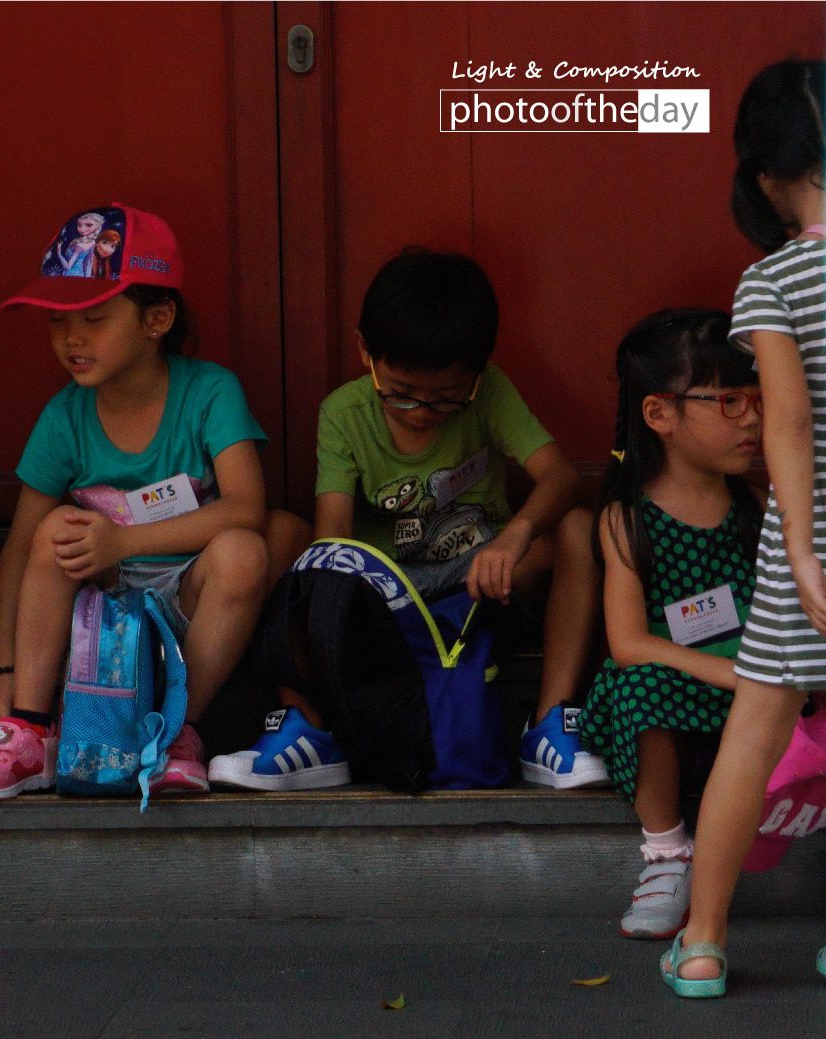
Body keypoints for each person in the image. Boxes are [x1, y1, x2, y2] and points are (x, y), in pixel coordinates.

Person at [209, 248, 602, 792]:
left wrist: (515, 537)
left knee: (579, 529)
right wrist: (363, 599)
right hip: (382, 600)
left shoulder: (490, 393)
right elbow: (332, 539)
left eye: (445, 400)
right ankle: (310, 727)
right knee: (285, 539)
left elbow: (560, 476)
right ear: (365, 353)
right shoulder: (344, 413)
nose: (419, 411)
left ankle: (550, 724)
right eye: (399, 393)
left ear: (477, 374)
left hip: (482, 582)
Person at [0, 202, 270, 799]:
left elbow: (247, 506)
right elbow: (19, 553)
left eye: (92, 319)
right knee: (50, 531)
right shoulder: (65, 416)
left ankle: (172, 734)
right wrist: (0, 672)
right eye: (57, 322)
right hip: (97, 616)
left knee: (246, 550)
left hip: (185, 602)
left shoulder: (208, 392)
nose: (71, 339)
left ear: (158, 318)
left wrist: (125, 539)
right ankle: (31, 732)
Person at [662, 58, 826, 998]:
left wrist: (802, 547)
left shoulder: (770, 280)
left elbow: (791, 423)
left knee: (753, 735)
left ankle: (704, 941)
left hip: (810, 533)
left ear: (766, 178)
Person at [580, 309, 763, 941]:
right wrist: (726, 671)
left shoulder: (751, 503)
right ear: (660, 415)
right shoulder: (626, 519)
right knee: (640, 691)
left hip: (754, 682)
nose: (753, 420)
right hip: (680, 677)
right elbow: (628, 644)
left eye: (758, 400)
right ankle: (667, 853)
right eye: (730, 402)